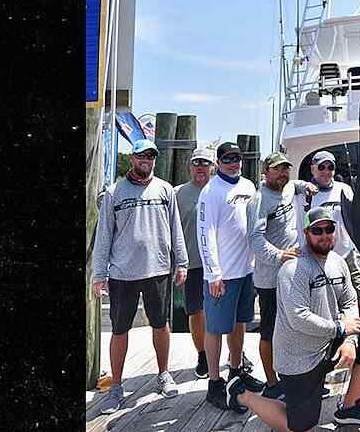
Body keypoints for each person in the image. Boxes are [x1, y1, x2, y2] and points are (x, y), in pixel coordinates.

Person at [225, 207, 360, 431]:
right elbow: (298, 318)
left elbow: (350, 302)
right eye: (317, 230)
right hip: (299, 358)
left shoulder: (338, 262)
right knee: (299, 426)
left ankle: (349, 407)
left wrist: (350, 340)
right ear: (305, 233)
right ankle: (240, 394)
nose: (324, 235)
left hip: (329, 342)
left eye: (329, 229)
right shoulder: (293, 268)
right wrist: (341, 329)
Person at [92, 139, 189, 414]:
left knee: (161, 324)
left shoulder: (165, 190)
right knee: (120, 329)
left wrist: (181, 262)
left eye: (151, 156)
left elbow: (176, 230)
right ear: (132, 158)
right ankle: (117, 386)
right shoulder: (114, 192)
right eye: (141, 155)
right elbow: (103, 237)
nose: (146, 159)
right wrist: (100, 274)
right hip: (122, 274)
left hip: (158, 269)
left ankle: (163, 374)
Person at [197, 142, 266, 410]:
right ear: (218, 162)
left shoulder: (249, 186)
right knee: (215, 328)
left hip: (246, 271)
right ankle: (214, 383)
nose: (233, 162)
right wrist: (213, 273)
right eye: (227, 158)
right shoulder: (211, 191)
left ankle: (236, 371)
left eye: (236, 158)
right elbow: (205, 234)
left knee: (240, 324)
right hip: (222, 276)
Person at [247, 152, 317, 400]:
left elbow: (297, 185)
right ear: (265, 171)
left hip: (293, 274)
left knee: (296, 327)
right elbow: (255, 239)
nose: (282, 174)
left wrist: (306, 184)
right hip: (269, 279)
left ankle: (297, 377)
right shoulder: (259, 200)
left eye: (286, 169)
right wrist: (279, 255)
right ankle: (272, 383)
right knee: (269, 332)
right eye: (277, 169)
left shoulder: (289, 187)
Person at [295, 150, 360, 324]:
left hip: (346, 255)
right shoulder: (302, 193)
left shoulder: (344, 189)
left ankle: (356, 339)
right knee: (325, 306)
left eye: (330, 167)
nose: (326, 171)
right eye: (321, 167)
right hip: (317, 258)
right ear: (313, 169)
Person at [174, 147, 214, 379]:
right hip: (192, 264)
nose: (200, 167)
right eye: (196, 163)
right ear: (190, 166)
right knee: (196, 311)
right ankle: (202, 354)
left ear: (213, 167)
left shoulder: (220, 189)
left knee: (224, 313)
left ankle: (233, 355)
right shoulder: (177, 193)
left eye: (205, 163)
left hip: (220, 264)